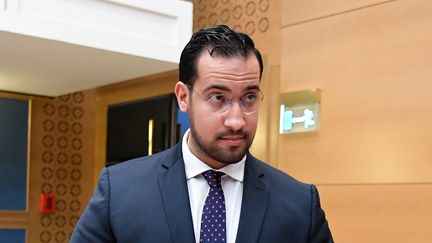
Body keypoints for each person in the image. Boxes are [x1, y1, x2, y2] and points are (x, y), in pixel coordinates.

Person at [70, 25, 333, 243]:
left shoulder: (299, 204)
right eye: (218, 98)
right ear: (184, 98)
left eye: (249, 97)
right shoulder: (120, 191)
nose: (236, 120)